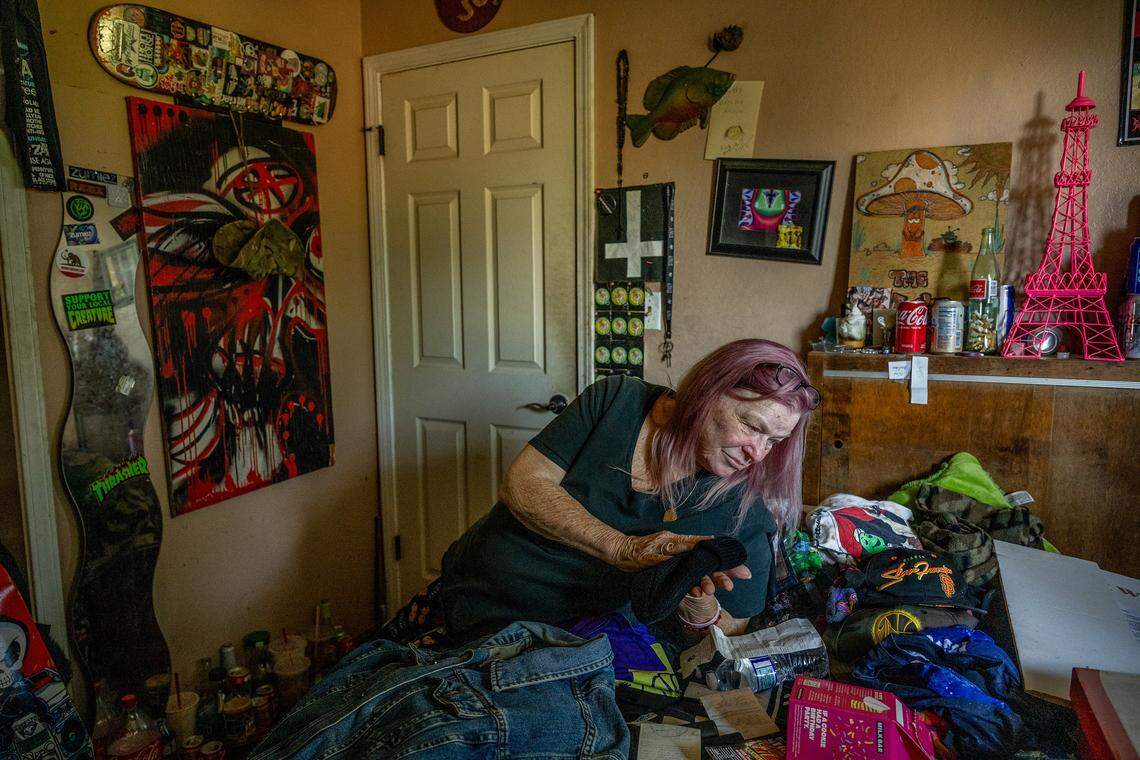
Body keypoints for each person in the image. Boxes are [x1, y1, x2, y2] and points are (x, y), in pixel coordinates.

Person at [437, 339, 820, 643]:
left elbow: (738, 628)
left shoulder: (744, 508)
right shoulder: (617, 400)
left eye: (774, 440)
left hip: (574, 645)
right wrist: (625, 549)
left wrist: (697, 608)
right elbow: (523, 484)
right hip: (475, 598)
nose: (758, 453)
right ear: (706, 393)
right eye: (752, 426)